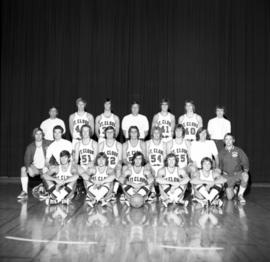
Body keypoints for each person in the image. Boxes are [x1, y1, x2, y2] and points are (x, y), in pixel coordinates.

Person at [17, 128, 51, 199]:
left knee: (47, 170)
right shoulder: (30, 147)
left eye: (40, 134)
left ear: (43, 135)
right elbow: (26, 160)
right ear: (34, 135)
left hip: (46, 167)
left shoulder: (48, 143)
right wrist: (28, 168)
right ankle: (24, 192)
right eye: (36, 134)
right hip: (36, 168)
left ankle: (44, 187)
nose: (38, 136)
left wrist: (48, 165)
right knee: (23, 169)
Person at [219, 133, 249, 204]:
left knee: (245, 176)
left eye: (230, 139)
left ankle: (240, 195)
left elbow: (245, 160)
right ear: (224, 141)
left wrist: (245, 170)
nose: (228, 141)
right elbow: (219, 166)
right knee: (229, 198)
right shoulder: (221, 152)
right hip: (227, 176)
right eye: (226, 139)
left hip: (238, 174)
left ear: (233, 140)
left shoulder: (238, 150)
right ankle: (234, 189)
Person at [98, 126, 122, 198]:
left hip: (114, 166)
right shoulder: (101, 145)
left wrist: (115, 167)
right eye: (108, 132)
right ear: (105, 133)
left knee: (119, 167)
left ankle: (114, 192)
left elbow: (120, 159)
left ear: (114, 133)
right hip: (104, 167)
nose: (109, 134)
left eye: (111, 132)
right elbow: (99, 159)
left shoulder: (118, 145)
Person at [146, 126, 167, 200]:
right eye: (155, 132)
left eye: (158, 133)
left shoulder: (164, 144)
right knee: (147, 168)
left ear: (160, 134)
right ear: (152, 134)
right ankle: (152, 191)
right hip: (151, 165)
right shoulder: (148, 143)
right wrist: (151, 168)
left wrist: (162, 168)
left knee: (163, 171)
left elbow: (165, 158)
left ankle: (163, 192)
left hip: (161, 165)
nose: (156, 134)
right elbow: (146, 158)